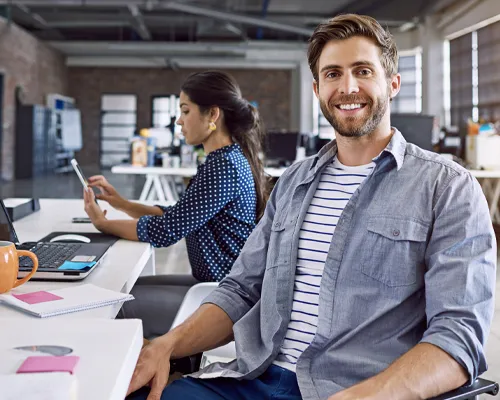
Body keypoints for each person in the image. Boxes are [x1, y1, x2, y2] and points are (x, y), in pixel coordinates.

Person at [126, 14, 497, 400]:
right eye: (333, 74)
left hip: (355, 390)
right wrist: (166, 345)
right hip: (252, 379)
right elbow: (240, 290)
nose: (347, 86)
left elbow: (458, 337)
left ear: (393, 83)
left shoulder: (447, 187)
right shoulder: (293, 183)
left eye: (363, 70)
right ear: (318, 89)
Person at [83, 71, 268, 337]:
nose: (179, 121)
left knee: (109, 305)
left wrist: (103, 223)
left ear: (212, 115)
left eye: (185, 110)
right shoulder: (225, 159)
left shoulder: (223, 166)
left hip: (223, 298)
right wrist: (121, 203)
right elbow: (180, 215)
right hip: (214, 284)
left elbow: (165, 231)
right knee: (124, 289)